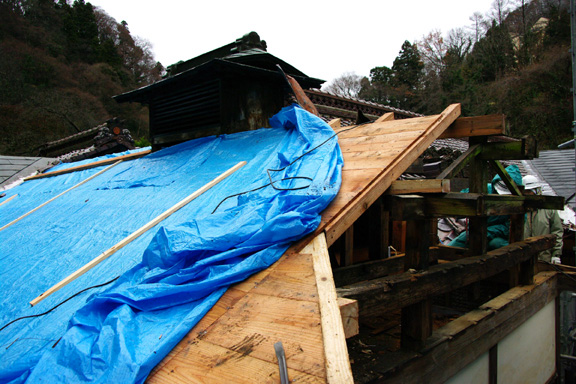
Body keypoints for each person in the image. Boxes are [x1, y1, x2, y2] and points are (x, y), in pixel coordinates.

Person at [449, 164, 523, 251]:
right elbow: (462, 198)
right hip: (475, 230)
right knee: (454, 246)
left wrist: (488, 232)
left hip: (498, 237)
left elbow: (508, 227)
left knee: (498, 245)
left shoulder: (518, 203)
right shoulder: (484, 189)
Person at [522, 175, 563, 263]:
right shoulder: (520, 210)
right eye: (525, 191)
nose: (527, 194)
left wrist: (556, 254)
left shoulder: (549, 209)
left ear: (537, 191)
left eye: (529, 191)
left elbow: (557, 232)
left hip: (544, 259)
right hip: (524, 260)